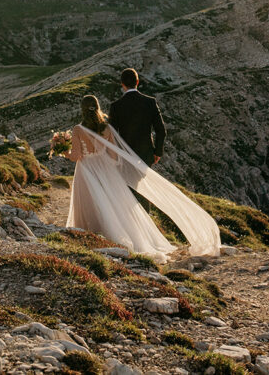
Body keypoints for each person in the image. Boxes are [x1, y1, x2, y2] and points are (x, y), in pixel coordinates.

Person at [64, 94, 220, 260]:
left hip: (87, 170)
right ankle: (110, 234)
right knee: (111, 203)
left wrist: (63, 152)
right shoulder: (107, 128)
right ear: (98, 107)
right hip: (106, 170)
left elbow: (76, 156)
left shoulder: (78, 130)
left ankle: (88, 234)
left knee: (90, 201)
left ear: (82, 109)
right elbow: (114, 156)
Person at [108, 68, 166, 166]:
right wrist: (157, 152)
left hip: (125, 155)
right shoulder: (150, 102)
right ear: (137, 82)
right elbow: (161, 130)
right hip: (146, 155)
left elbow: (112, 134)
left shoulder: (115, 106)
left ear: (122, 84)